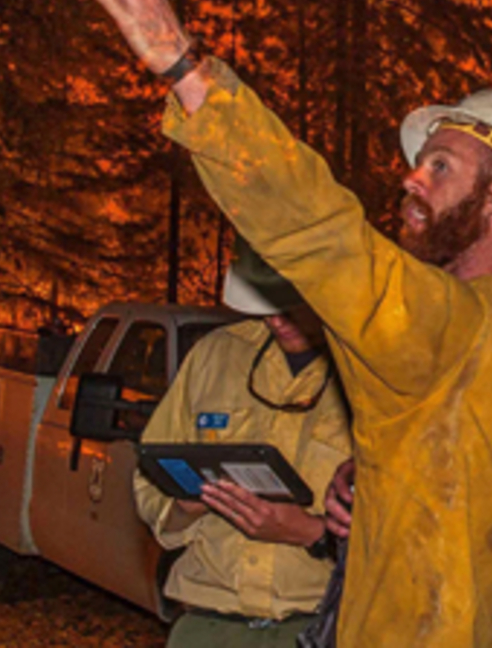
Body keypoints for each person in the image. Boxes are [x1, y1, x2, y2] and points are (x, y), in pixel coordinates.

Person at [74, 0, 492, 646]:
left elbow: (322, 234)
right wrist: (371, 483)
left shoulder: (457, 328)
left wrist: (186, 72)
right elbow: (460, 501)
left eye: (442, 166)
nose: (413, 175)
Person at [133, 241, 352, 647]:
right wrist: (181, 508)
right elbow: (147, 476)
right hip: (205, 627)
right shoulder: (215, 357)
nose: (275, 320)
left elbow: (412, 527)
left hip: (321, 629)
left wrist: (311, 533)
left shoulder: (374, 379)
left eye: (290, 307)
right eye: (264, 305)